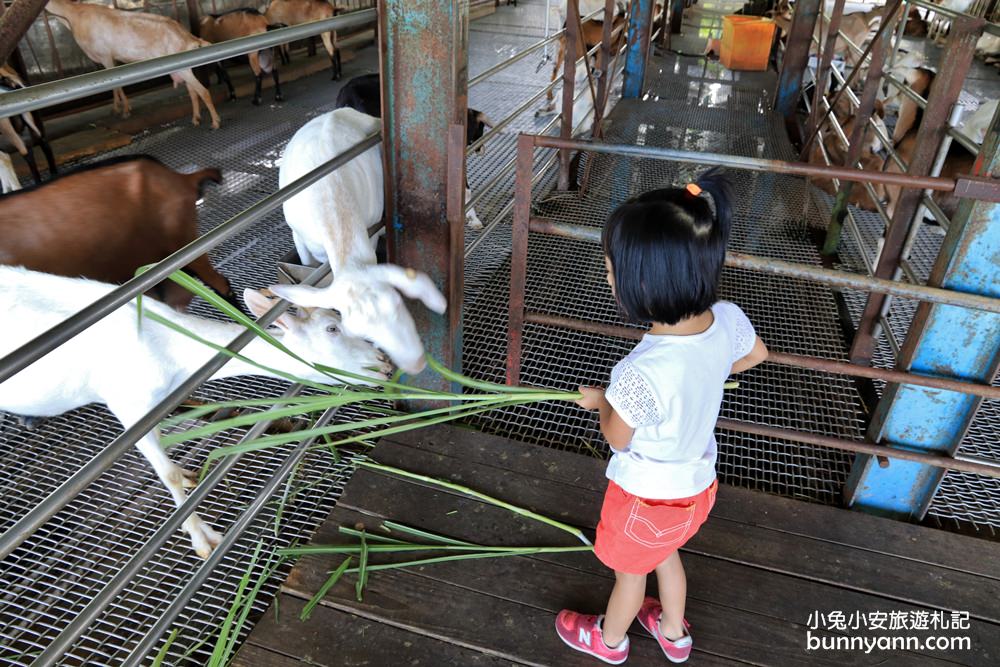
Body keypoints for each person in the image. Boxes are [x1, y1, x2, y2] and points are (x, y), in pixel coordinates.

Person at [555, 170, 768, 664]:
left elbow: (618, 439)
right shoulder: (727, 318)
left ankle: (608, 642)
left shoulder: (637, 374)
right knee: (666, 556)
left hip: (644, 500)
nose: (608, 277)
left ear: (644, 282)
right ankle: (675, 634)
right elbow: (755, 354)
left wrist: (602, 401)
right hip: (695, 491)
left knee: (631, 576)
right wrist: (709, 374)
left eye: (611, 269)